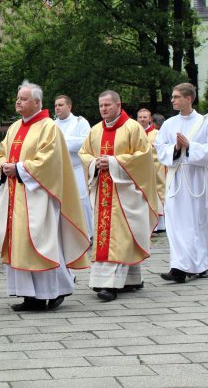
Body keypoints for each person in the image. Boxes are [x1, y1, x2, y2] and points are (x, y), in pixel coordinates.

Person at [0, 82, 90, 311]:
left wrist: (18, 168)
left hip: (39, 195)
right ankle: (28, 295)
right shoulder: (15, 127)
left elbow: (49, 160)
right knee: (20, 243)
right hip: (15, 194)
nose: (18, 102)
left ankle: (54, 291)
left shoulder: (49, 127)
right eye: (18, 98)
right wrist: (3, 165)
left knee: (42, 241)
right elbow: (1, 152)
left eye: (24, 99)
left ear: (37, 103)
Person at [79, 92, 157, 301]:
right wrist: (96, 163)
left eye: (107, 105)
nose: (103, 109)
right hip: (103, 191)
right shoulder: (95, 130)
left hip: (125, 193)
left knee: (120, 236)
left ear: (118, 105)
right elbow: (84, 154)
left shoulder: (132, 127)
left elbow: (144, 156)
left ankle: (109, 284)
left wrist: (113, 163)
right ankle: (130, 279)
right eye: (100, 106)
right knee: (111, 236)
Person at [155, 83, 208, 283]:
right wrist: (175, 148)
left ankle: (203, 265)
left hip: (197, 177)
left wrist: (190, 146)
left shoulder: (206, 123)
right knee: (176, 224)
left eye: (176, 97)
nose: (172, 100)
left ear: (188, 98)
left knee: (199, 223)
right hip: (176, 176)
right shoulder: (169, 124)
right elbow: (160, 146)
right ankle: (179, 266)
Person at [54, 95, 93, 240]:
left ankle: (88, 234)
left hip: (76, 168)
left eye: (60, 105)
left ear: (69, 107)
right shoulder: (51, 125)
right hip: (58, 170)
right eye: (56, 105)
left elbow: (85, 142)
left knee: (82, 200)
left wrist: (62, 142)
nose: (57, 107)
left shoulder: (80, 122)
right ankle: (67, 235)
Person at [137, 108, 166, 233]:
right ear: (137, 119)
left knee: (157, 194)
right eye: (140, 117)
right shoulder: (134, 133)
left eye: (145, 117)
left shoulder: (157, 133)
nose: (142, 120)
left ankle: (159, 225)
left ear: (150, 119)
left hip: (155, 169)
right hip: (139, 170)